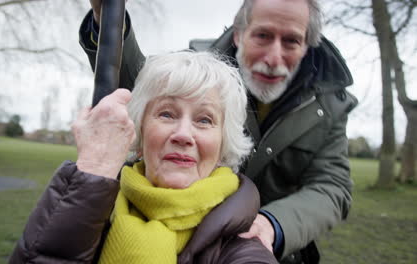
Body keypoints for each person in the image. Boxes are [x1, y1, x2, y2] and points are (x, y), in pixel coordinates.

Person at [79, 0, 358, 263]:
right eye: (262, 35)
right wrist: (110, 21)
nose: (274, 57)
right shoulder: (203, 68)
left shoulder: (330, 105)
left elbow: (331, 187)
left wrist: (273, 224)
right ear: (239, 34)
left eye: (291, 41)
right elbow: (145, 90)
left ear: (307, 45)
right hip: (187, 240)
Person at [9, 51, 278, 264]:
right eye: (167, 114)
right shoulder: (94, 211)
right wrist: (92, 170)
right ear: (138, 133)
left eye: (204, 119)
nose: (183, 134)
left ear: (223, 146)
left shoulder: (242, 243)